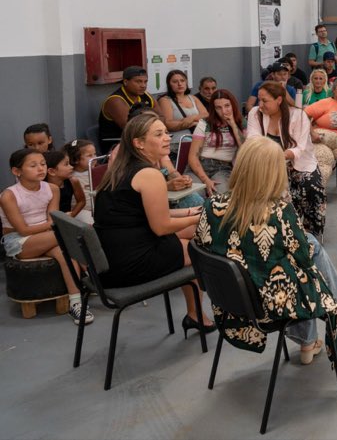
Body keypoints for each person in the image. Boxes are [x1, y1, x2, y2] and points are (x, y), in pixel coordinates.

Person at [197, 137, 337, 364]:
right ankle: (331, 315)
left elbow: (204, 245)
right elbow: (303, 260)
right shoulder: (278, 212)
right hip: (270, 304)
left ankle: (312, 338)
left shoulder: (212, 206)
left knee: (305, 249)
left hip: (229, 298)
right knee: (307, 261)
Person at [93, 114, 213, 332]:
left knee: (196, 230)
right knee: (200, 246)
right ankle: (197, 311)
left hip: (111, 259)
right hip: (131, 263)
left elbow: (142, 215)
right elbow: (161, 227)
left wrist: (188, 212)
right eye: (159, 134)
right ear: (138, 143)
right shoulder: (149, 174)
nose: (167, 138)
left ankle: (196, 313)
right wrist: (203, 215)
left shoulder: (121, 168)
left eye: (166, 132)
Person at [2, 149, 93, 324]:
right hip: (20, 241)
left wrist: (56, 225)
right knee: (70, 234)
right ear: (16, 171)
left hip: (47, 236)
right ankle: (92, 273)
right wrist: (57, 225)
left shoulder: (51, 189)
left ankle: (76, 303)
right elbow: (23, 230)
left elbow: (52, 217)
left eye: (43, 164)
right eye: (33, 165)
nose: (40, 168)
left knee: (63, 251)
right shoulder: (9, 195)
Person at [246, 82, 326, 239]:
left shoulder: (298, 115)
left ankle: (312, 233)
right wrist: (273, 157)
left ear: (279, 100)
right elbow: (252, 140)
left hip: (300, 162)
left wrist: (277, 155)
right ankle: (284, 231)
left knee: (312, 185)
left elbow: (299, 148)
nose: (260, 105)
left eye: (265, 101)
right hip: (268, 164)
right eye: (259, 100)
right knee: (278, 193)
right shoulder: (255, 113)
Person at [188, 89, 244, 196]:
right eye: (218, 107)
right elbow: (193, 157)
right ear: (214, 109)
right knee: (195, 194)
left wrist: (233, 124)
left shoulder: (241, 123)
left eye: (227, 106)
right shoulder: (205, 123)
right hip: (200, 165)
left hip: (223, 168)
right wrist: (206, 180)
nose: (224, 111)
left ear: (233, 105)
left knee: (222, 195)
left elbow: (246, 149)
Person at [98, 66, 156, 153]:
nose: (143, 85)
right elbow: (132, 128)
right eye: (138, 81)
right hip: (118, 146)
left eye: (145, 81)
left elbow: (162, 117)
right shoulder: (115, 100)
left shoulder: (146, 96)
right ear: (125, 82)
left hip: (140, 141)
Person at [45, 149, 87, 219]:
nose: (71, 167)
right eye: (66, 164)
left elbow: (81, 201)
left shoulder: (73, 181)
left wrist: (71, 215)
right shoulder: (42, 186)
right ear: (52, 171)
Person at [64, 138, 97, 220]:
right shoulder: (70, 176)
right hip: (81, 211)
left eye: (95, 154)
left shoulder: (96, 171)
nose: (94, 158)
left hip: (97, 208)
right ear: (75, 159)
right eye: (89, 155)